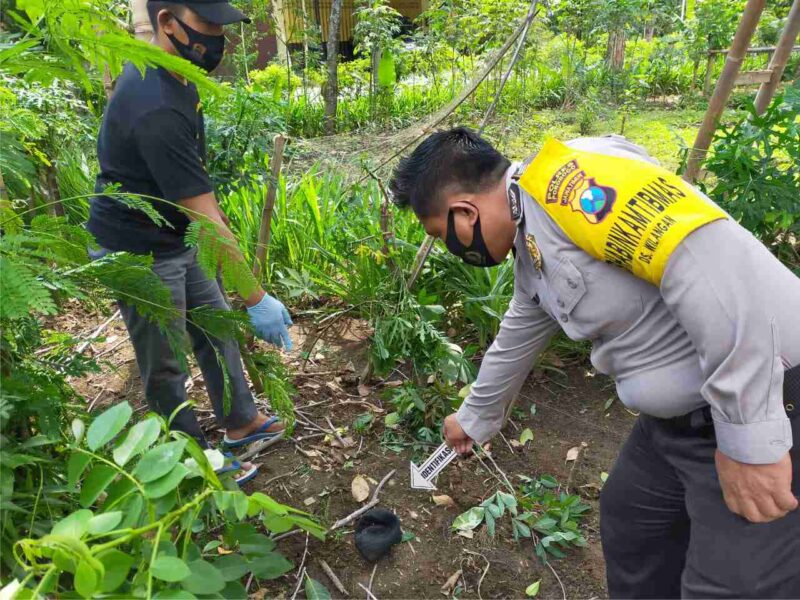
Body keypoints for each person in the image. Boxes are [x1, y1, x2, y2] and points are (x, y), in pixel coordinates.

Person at [389, 127, 800, 598]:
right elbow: (521, 330)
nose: (452, 248)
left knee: (735, 585)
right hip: (679, 424)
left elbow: (714, 268)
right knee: (634, 524)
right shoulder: (532, 234)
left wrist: (751, 441)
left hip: (767, 398)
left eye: (442, 234)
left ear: (465, 211)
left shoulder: (571, 185)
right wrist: (474, 417)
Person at [87, 0, 291, 483]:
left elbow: (196, 193)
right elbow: (208, 220)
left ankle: (241, 423)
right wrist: (257, 297)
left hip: (174, 233)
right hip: (134, 248)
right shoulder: (154, 106)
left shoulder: (177, 75)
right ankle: (191, 461)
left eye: (222, 26)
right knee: (166, 363)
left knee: (216, 328)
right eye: (208, 25)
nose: (218, 38)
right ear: (166, 23)